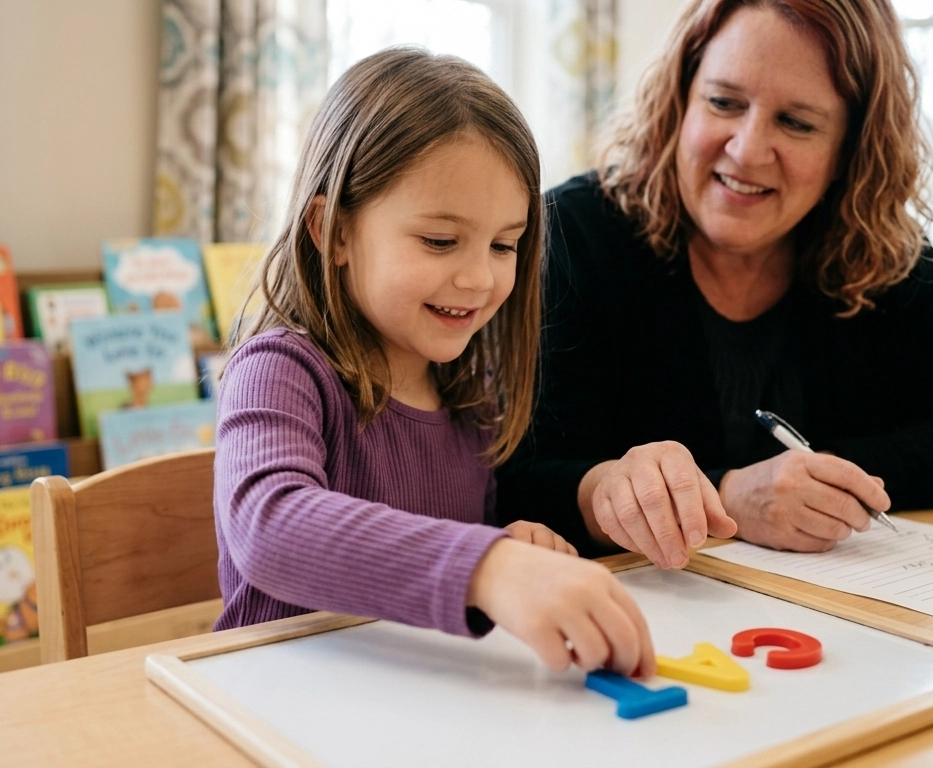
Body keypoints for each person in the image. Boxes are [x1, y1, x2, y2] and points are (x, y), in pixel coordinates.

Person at [213, 48, 730, 679]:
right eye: (439, 241)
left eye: (504, 245)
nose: (478, 277)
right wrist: (488, 566)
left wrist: (514, 542)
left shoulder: (469, 392)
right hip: (277, 702)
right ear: (334, 232)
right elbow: (268, 530)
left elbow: (450, 570)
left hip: (421, 699)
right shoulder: (278, 369)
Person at [496, 0, 933, 566]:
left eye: (796, 122)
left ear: (849, 150)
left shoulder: (880, 250)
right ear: (679, 103)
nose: (746, 149)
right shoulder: (572, 236)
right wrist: (731, 492)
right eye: (723, 102)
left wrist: (813, 482)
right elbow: (513, 483)